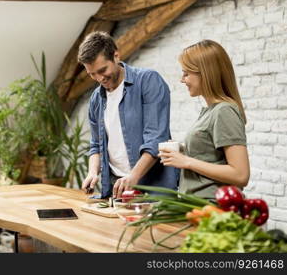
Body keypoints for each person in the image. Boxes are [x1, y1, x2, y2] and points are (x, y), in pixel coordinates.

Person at [78, 31, 178, 199]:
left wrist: (133, 177)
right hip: (117, 187)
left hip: (153, 187)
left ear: (116, 56)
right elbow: (96, 144)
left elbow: (156, 140)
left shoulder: (148, 81)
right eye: (92, 74)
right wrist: (92, 172)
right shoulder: (96, 98)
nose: (99, 78)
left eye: (102, 70)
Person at [158, 40, 250, 198]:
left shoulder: (224, 110)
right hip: (198, 207)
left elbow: (240, 175)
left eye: (186, 73)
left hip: (212, 208)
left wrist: (186, 161)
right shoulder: (210, 111)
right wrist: (182, 149)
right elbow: (211, 156)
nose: (182, 80)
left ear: (206, 73)